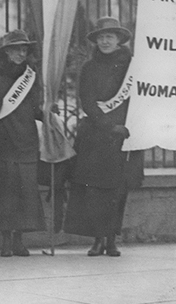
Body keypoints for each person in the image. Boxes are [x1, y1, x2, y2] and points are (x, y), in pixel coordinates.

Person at [64, 17, 143, 257]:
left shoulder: (134, 67)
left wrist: (127, 126)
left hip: (124, 136)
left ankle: (111, 240)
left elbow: (139, 99)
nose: (105, 41)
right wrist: (108, 125)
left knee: (117, 191)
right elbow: (87, 100)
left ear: (119, 39)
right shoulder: (89, 67)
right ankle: (98, 239)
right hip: (96, 136)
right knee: (95, 191)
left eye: (110, 36)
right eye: (101, 37)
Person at [0, 29, 45, 257]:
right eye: (16, 49)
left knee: (25, 194)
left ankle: (19, 239)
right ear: (6, 52)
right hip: (3, 142)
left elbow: (36, 108)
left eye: (24, 49)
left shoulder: (31, 76)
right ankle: (6, 240)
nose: (20, 53)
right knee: (5, 194)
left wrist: (48, 114)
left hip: (26, 140)